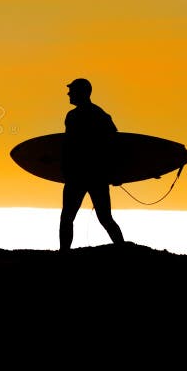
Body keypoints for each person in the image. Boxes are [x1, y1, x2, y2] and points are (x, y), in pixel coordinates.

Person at [60, 78, 125, 251]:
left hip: (88, 175)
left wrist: (117, 173)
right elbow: (68, 146)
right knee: (100, 218)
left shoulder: (94, 116)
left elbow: (113, 145)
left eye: (72, 91)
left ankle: (123, 250)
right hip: (88, 175)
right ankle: (122, 249)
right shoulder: (87, 115)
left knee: (95, 217)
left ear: (81, 93)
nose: (68, 94)